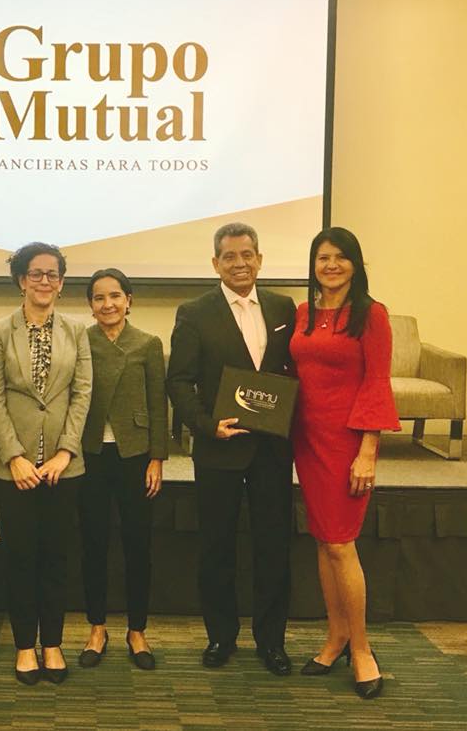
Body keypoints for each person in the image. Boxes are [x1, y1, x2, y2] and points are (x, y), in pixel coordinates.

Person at [166, 222, 297, 676]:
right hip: (218, 449)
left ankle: (271, 642)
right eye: (229, 256)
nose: (239, 264)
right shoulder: (194, 312)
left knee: (273, 548)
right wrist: (207, 426)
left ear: (260, 259)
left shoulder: (284, 307)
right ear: (215, 263)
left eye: (247, 255)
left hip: (272, 449)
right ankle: (221, 637)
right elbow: (179, 381)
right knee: (217, 548)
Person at [291, 227, 399, 699]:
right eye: (323, 257)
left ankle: (361, 648)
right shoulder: (303, 313)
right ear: (313, 265)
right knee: (323, 541)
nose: (331, 265)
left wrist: (368, 451)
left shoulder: (371, 315)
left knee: (341, 544)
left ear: (355, 263)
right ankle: (335, 636)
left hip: (348, 444)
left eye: (340, 257)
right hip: (307, 441)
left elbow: (377, 382)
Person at [0, 242, 92, 686]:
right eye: (35, 273)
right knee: (21, 559)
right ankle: (25, 646)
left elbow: (82, 394)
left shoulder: (77, 331)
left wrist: (66, 452)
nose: (44, 281)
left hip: (64, 468)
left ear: (61, 283)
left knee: (56, 559)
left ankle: (53, 645)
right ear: (21, 280)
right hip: (16, 469)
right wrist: (13, 455)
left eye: (52, 274)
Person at [77, 268, 168, 671]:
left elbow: (158, 403)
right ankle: (96, 628)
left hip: (136, 455)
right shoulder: (81, 341)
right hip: (91, 453)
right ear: (90, 305)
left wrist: (157, 458)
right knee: (93, 543)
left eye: (115, 296)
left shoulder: (147, 343)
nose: (108, 304)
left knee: (137, 545)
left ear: (129, 300)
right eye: (99, 297)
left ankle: (137, 630)